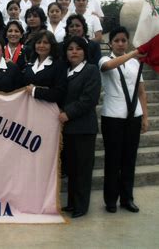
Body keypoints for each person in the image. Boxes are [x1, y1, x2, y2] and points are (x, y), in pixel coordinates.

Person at [99, 26, 149, 214]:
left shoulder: (136, 64)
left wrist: (145, 115)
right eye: (117, 40)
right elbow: (109, 67)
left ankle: (127, 198)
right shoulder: (105, 59)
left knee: (129, 160)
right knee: (113, 161)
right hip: (113, 117)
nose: (121, 44)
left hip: (133, 116)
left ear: (127, 42)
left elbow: (141, 91)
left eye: (124, 40)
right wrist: (134, 53)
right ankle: (111, 200)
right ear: (111, 43)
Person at [59, 35, 101, 218]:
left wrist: (67, 113)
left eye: (78, 48)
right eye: (70, 49)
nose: (74, 52)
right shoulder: (65, 71)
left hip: (83, 128)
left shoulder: (91, 70)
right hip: (67, 129)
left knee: (82, 169)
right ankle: (71, 203)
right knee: (72, 168)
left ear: (85, 52)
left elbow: (89, 99)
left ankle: (81, 206)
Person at [21, 30, 66, 106]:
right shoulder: (30, 63)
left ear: (52, 45)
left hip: (48, 108)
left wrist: (35, 91)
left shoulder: (59, 64)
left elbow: (59, 93)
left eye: (45, 43)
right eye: (38, 42)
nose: (41, 45)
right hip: (29, 107)